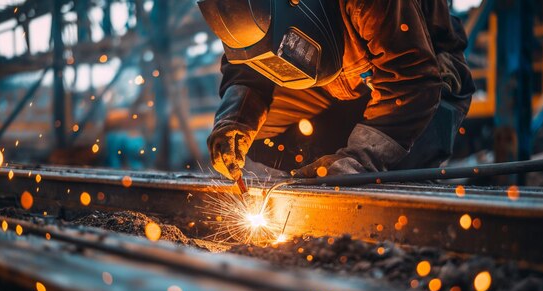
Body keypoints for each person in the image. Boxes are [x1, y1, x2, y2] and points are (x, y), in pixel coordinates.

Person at [197, 0, 475, 180]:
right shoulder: (255, 14)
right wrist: (235, 121)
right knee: (261, 148)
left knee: (390, 180)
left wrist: (358, 160)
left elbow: (411, 78)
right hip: (337, 81)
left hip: (421, 78)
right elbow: (249, 67)